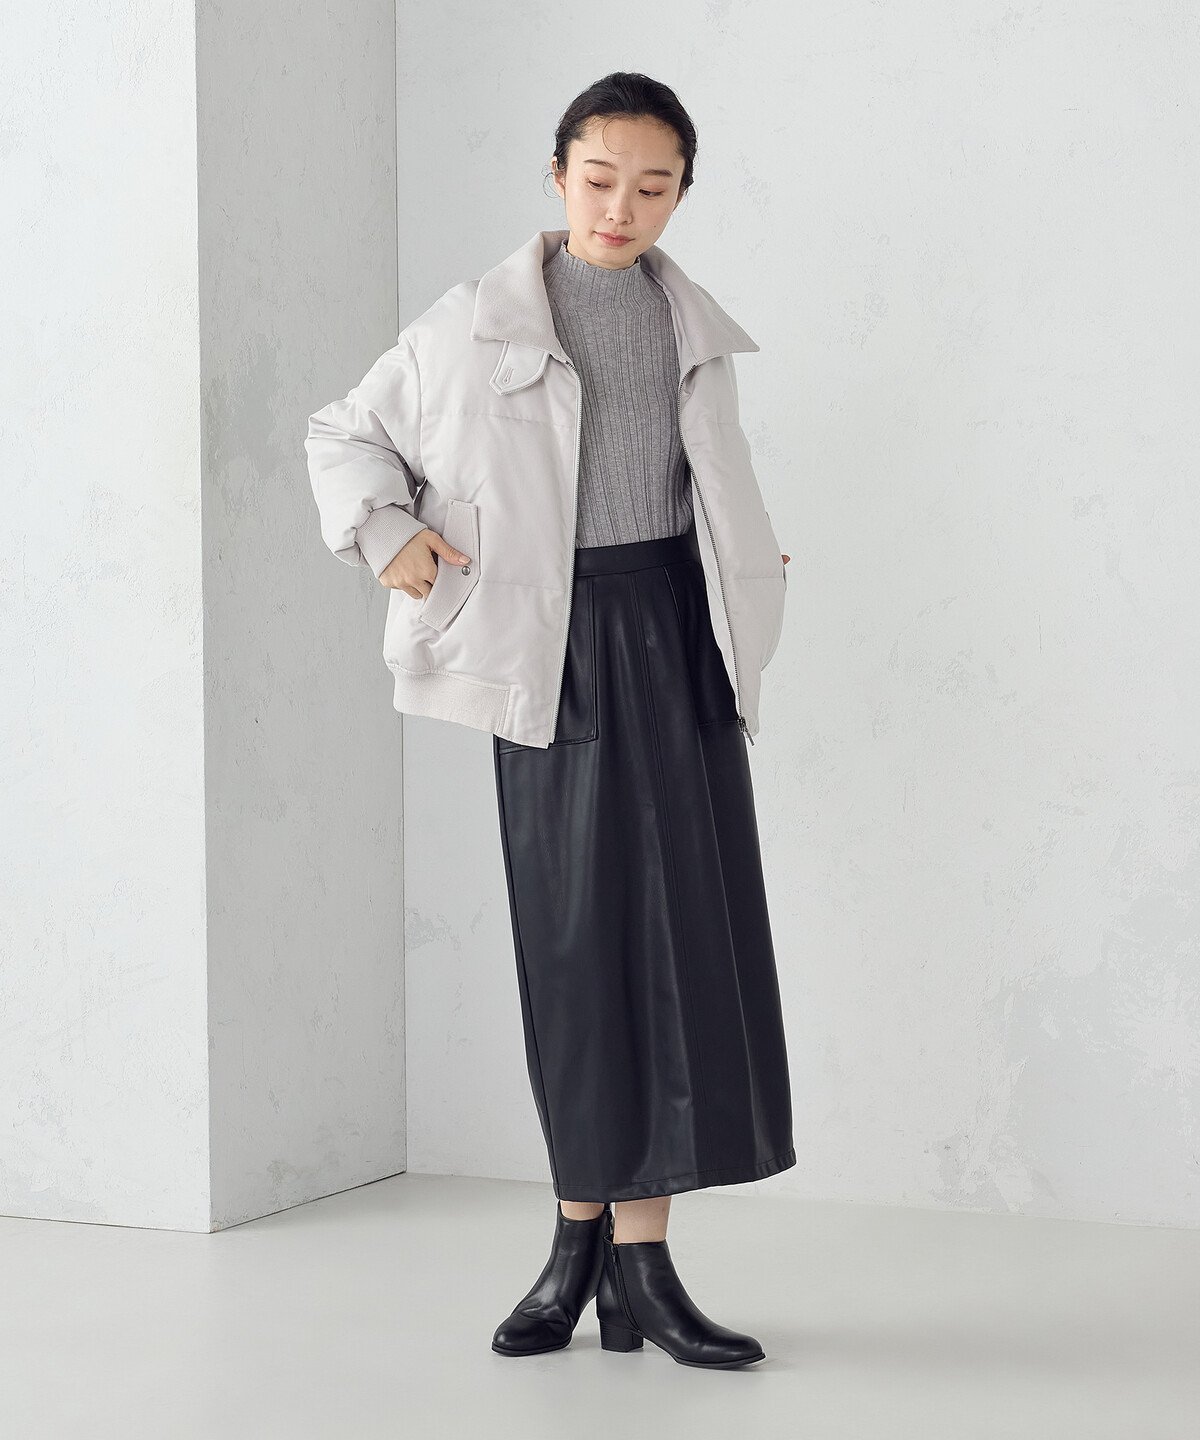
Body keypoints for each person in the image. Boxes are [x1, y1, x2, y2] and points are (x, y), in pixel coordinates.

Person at [306, 71, 795, 1370]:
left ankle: (642, 1268)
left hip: (678, 636)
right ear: (559, 173)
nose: (622, 206)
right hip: (554, 649)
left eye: (654, 185)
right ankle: (577, 1246)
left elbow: (702, 482)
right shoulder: (475, 322)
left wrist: (749, 568)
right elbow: (343, 433)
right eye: (600, 178)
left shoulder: (688, 323)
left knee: (682, 947)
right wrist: (391, 536)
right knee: (578, 951)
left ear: (681, 194)